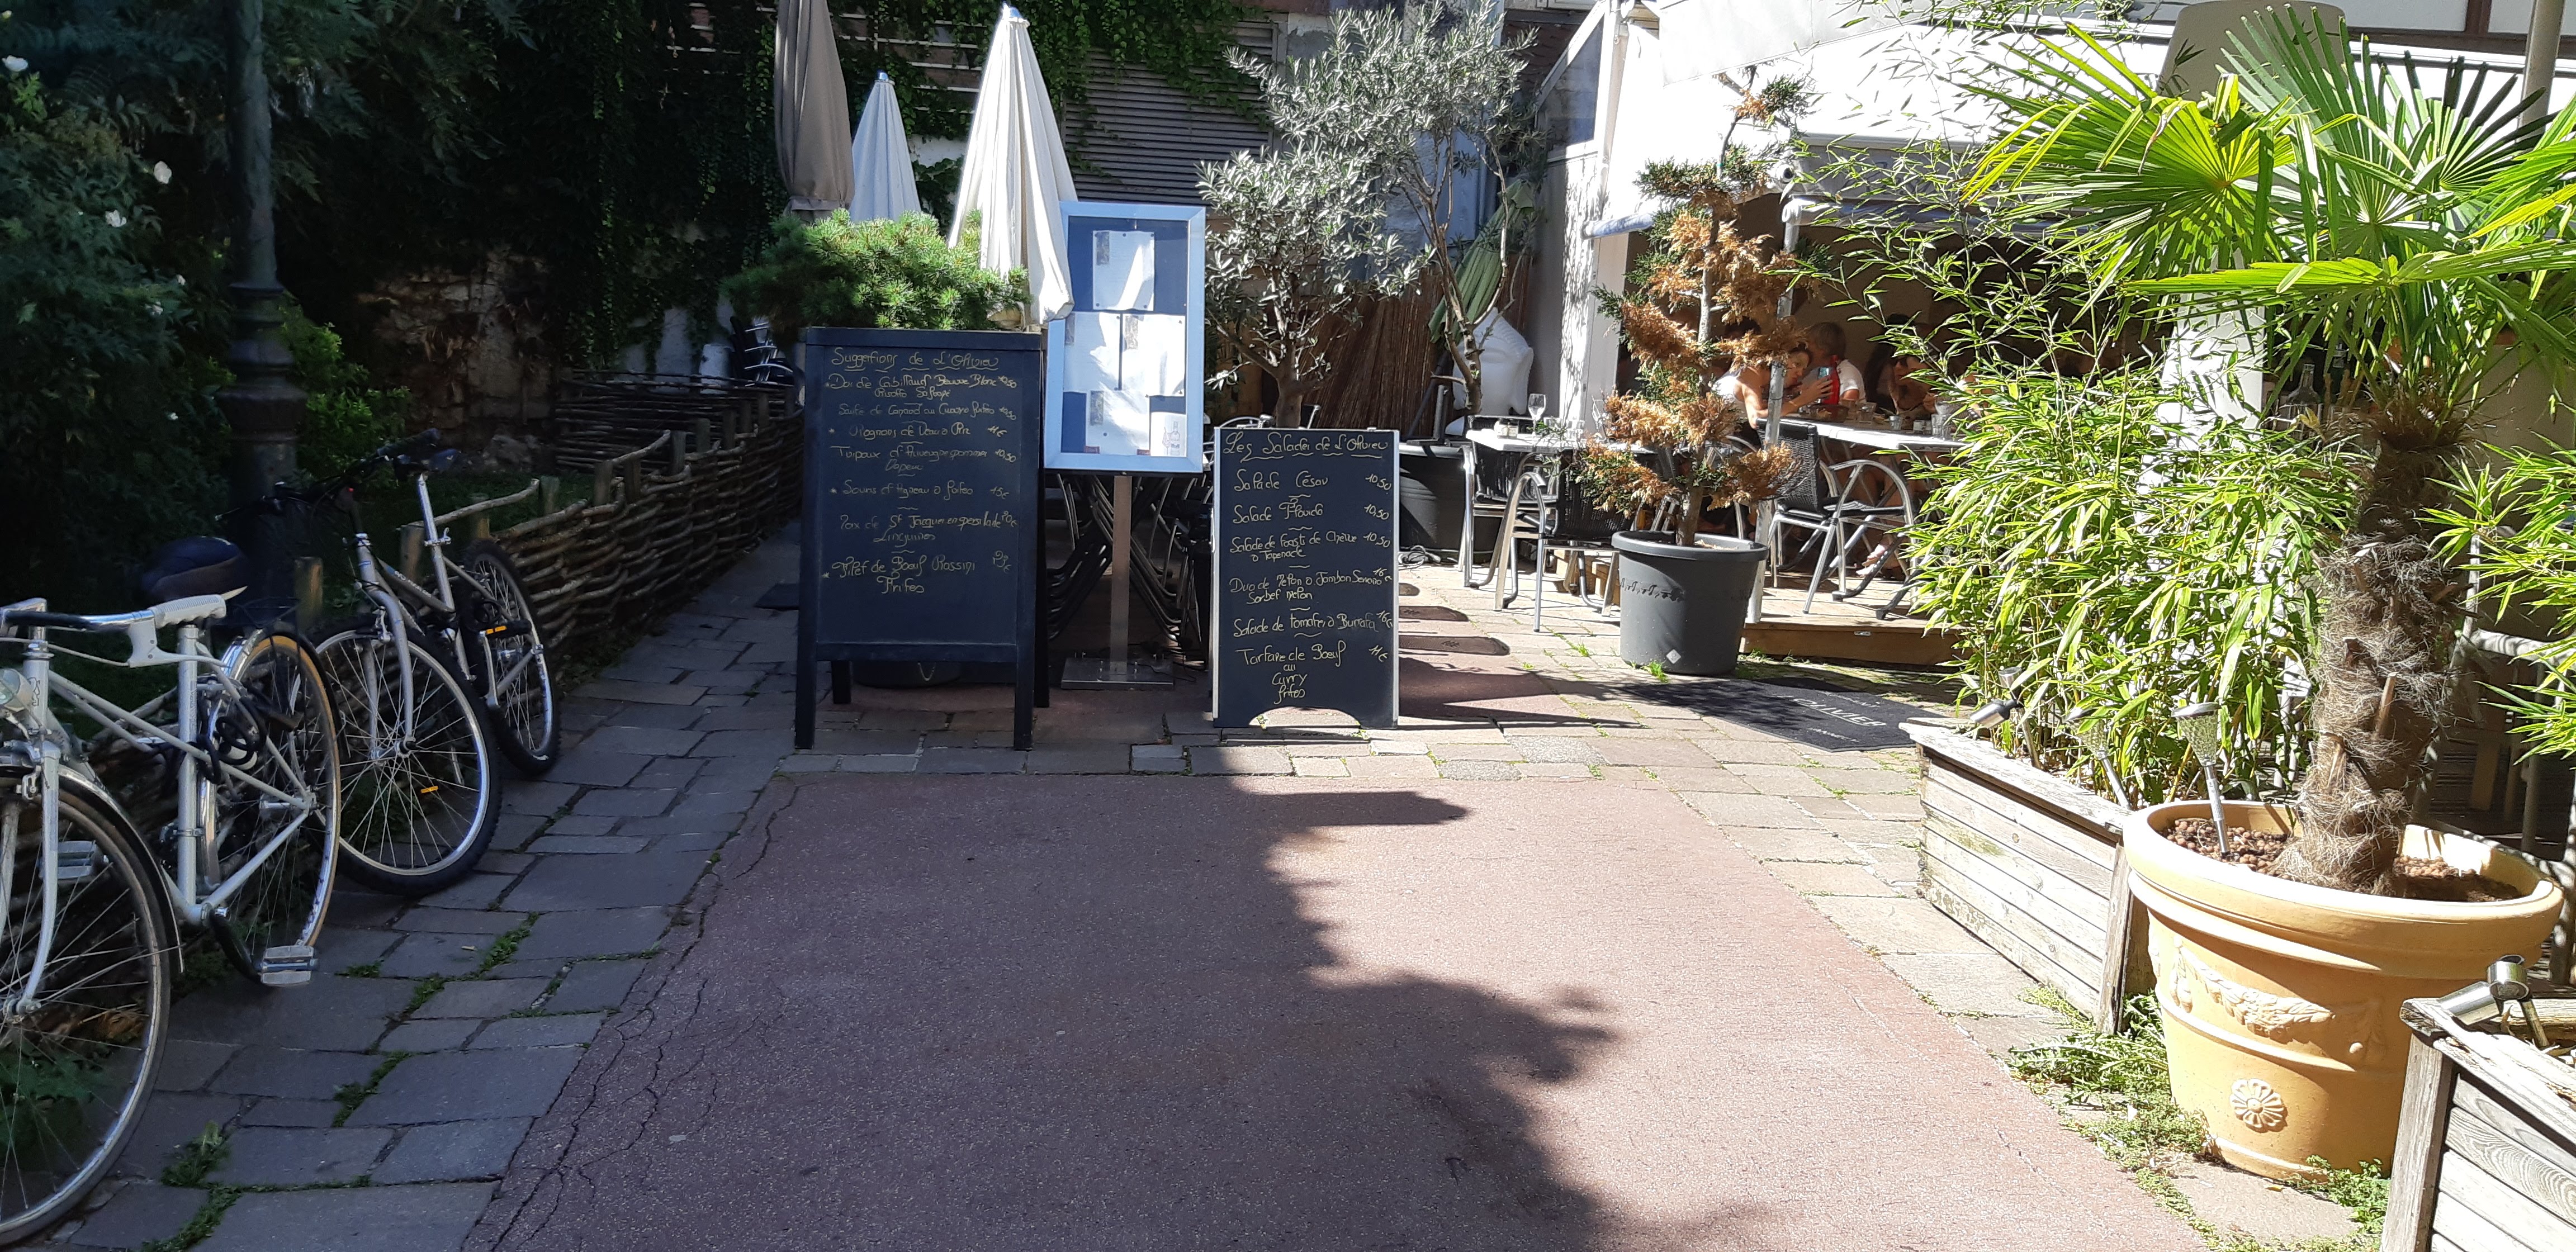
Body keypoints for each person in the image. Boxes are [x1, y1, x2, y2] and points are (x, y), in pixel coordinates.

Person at [1716, 345, 1826, 422]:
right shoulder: (1752, 371)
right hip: (1718, 442)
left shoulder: (1767, 382)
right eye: (1797, 364)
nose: (1800, 373)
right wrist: (1802, 400)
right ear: (1779, 358)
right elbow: (1756, 419)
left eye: (1804, 369)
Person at [1801, 323, 1868, 410]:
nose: (1806, 348)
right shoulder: (1817, 371)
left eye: (1809, 343)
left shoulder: (1846, 371)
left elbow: (1850, 401)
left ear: (1823, 349)